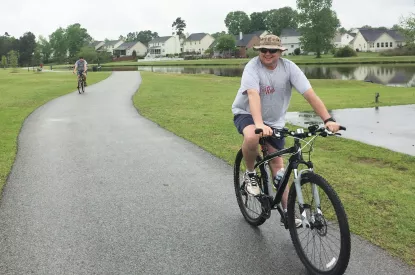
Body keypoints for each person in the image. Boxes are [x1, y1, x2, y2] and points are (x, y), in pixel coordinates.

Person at [232, 34, 341, 220]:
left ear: (280, 52)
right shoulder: (252, 67)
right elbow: (253, 94)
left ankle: (290, 216)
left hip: (274, 122)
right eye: (263, 50)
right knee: (252, 136)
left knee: (278, 167)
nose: (267, 54)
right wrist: (258, 124)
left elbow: (309, 94)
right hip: (248, 114)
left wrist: (327, 119)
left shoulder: (289, 68)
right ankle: (250, 173)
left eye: (272, 50)